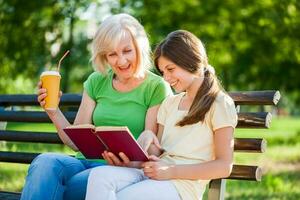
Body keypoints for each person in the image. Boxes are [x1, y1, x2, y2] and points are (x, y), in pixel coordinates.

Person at [20, 13, 171, 200]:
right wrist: (53, 111)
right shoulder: (96, 81)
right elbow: (75, 143)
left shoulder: (156, 87)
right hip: (84, 163)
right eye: (112, 54)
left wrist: (131, 159)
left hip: (122, 172)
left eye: (127, 51)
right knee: (44, 163)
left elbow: (154, 148)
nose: (121, 61)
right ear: (104, 56)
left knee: (58, 187)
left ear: (139, 48)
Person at [85, 30, 238, 200]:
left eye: (170, 69)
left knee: (122, 197)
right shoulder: (170, 103)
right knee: (99, 177)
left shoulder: (219, 104)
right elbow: (157, 153)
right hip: (155, 174)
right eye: (163, 72)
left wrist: (172, 171)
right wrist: (135, 155)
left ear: (191, 61)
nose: (166, 78)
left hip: (182, 185)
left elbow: (224, 165)